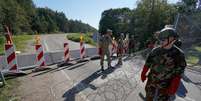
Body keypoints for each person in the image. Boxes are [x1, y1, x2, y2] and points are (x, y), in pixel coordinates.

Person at [141, 26, 187, 101]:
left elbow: (179, 72)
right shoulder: (155, 51)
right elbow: (148, 63)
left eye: (163, 39)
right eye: (160, 40)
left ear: (172, 39)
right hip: (151, 82)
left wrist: (174, 84)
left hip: (165, 86)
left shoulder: (179, 54)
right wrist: (143, 72)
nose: (161, 42)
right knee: (148, 98)